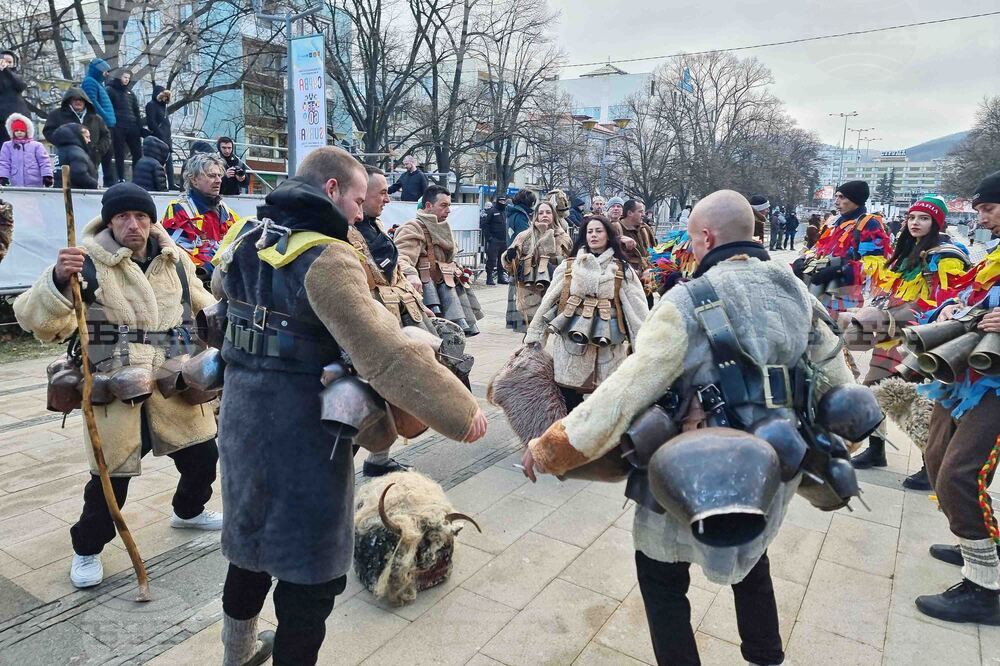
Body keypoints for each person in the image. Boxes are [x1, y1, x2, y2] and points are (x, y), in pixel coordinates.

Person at [522, 190, 854, 665]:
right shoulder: (795, 290)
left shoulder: (687, 300)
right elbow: (834, 378)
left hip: (692, 465)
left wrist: (556, 445)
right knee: (752, 554)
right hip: (774, 458)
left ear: (707, 237)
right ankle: (766, 657)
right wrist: (842, 445)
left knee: (661, 575)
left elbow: (627, 389)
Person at [212, 146, 487, 666]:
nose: (361, 213)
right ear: (333, 191)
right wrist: (459, 410)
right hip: (304, 434)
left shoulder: (245, 236)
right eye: (358, 200)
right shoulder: (328, 257)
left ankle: (237, 655)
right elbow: (381, 355)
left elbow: (218, 296)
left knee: (250, 552)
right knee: (309, 576)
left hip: (243, 422)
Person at [12, 183, 223, 590]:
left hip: (171, 376)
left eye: (141, 216)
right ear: (110, 220)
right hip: (115, 381)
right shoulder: (85, 261)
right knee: (112, 477)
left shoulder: (173, 258)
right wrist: (58, 279)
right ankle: (87, 547)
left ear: (151, 220)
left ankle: (188, 509)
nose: (134, 225)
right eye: (123, 216)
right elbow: (38, 322)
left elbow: (203, 302)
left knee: (203, 456)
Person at [914, 171, 1000, 626]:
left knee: (959, 474)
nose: (981, 217)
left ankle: (985, 588)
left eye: (987, 208)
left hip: (996, 385)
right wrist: (951, 310)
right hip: (964, 372)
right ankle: (978, 538)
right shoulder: (994, 253)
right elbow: (970, 294)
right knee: (936, 460)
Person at [849, 196, 972, 483]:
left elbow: (947, 302)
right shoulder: (906, 253)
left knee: (917, 402)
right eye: (912, 217)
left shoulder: (946, 255)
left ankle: (930, 465)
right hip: (891, 334)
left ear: (937, 222)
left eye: (924, 218)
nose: (916, 223)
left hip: (919, 339)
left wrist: (909, 316)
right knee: (875, 390)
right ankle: (876, 449)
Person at [351, 165, 435, 476]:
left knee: (389, 396)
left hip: (394, 319)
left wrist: (417, 304)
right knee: (362, 399)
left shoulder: (375, 226)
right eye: (382, 192)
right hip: (368, 330)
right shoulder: (344, 235)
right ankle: (336, 470)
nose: (388, 198)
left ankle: (379, 460)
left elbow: (395, 271)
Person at [521, 214, 648, 410]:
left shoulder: (622, 269)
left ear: (608, 235)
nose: (594, 236)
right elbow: (548, 302)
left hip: (608, 347)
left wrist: (644, 349)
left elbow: (637, 311)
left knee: (605, 403)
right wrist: (535, 337)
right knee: (568, 402)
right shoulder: (569, 266)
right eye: (590, 232)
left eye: (599, 231)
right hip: (570, 346)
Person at [394, 184, 484, 336]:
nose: (448, 210)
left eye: (449, 205)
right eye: (443, 205)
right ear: (428, 206)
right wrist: (410, 273)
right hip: (426, 297)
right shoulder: (413, 228)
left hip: (446, 292)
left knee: (452, 340)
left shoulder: (441, 227)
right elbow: (400, 257)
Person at [801, 180, 890, 317]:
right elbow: (819, 248)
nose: (836, 202)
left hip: (846, 294)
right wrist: (804, 259)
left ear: (856, 200)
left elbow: (874, 267)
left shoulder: (869, 224)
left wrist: (840, 269)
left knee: (834, 329)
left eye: (842, 197)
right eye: (836, 197)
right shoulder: (835, 221)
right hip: (819, 288)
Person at [161, 153, 239, 276]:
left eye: (219, 175)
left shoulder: (225, 209)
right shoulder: (179, 209)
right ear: (194, 179)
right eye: (212, 176)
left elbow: (237, 240)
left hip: (224, 276)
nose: (218, 180)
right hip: (197, 280)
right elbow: (177, 253)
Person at [502, 201, 573, 326]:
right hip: (529, 289)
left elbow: (571, 260)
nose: (544, 215)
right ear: (536, 216)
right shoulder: (524, 236)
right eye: (541, 213)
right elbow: (510, 263)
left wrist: (554, 261)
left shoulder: (563, 237)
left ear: (554, 215)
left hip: (555, 289)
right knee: (530, 330)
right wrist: (509, 257)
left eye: (548, 212)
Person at [43, 88, 113, 186]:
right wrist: (63, 143)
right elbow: (48, 131)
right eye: (74, 99)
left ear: (85, 101)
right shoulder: (56, 115)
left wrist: (97, 151)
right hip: (67, 161)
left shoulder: (96, 118)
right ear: (69, 100)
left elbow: (106, 135)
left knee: (89, 190)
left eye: (80, 99)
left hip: (92, 162)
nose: (78, 102)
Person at [79, 58, 117, 184]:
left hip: (106, 123)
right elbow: (92, 102)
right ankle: (101, 183)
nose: (106, 74)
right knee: (99, 155)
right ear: (98, 70)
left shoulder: (97, 83)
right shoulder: (90, 82)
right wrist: (105, 116)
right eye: (105, 71)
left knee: (108, 155)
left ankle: (110, 183)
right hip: (100, 124)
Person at [504, 189, 537, 331]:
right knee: (521, 289)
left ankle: (512, 320)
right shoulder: (521, 216)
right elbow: (527, 238)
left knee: (514, 288)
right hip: (521, 257)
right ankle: (520, 321)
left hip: (514, 255)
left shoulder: (513, 213)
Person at [106, 69, 143, 182]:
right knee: (119, 152)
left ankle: (136, 177)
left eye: (128, 77)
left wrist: (139, 127)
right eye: (124, 77)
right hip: (118, 125)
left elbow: (136, 110)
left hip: (132, 126)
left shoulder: (130, 93)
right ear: (119, 77)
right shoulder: (110, 90)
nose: (126, 79)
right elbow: (108, 107)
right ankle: (120, 177)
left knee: (137, 152)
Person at [0, 114, 52, 187]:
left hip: (35, 183)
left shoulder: (36, 146)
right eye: (16, 130)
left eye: (22, 130)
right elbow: (4, 162)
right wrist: (3, 176)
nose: (19, 132)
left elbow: (44, 161)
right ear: (12, 132)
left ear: (27, 131)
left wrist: (47, 175)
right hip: (16, 183)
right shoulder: (7, 146)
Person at [145, 85, 177, 190]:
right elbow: (151, 123)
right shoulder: (151, 105)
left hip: (167, 137)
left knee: (169, 162)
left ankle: (171, 184)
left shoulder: (163, 107)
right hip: (158, 137)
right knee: (158, 163)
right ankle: (158, 184)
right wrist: (159, 133)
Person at [51, 123, 99, 190]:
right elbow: (79, 174)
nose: (89, 140)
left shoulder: (61, 150)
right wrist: (94, 184)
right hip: (77, 193)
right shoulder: (76, 152)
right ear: (79, 136)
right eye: (87, 137)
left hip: (62, 191)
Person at [0, 50, 29, 145]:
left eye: (10, 62)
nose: (7, 64)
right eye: (4, 61)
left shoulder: (16, 76)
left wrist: (6, 70)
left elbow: (20, 85)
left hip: (15, 117)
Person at [480, 196, 509, 285]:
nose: (503, 202)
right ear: (497, 201)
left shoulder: (505, 212)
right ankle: (489, 278)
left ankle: (500, 277)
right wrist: (489, 238)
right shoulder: (492, 211)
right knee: (492, 260)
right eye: (501, 201)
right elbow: (485, 225)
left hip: (504, 240)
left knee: (502, 259)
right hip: (494, 240)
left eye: (504, 201)